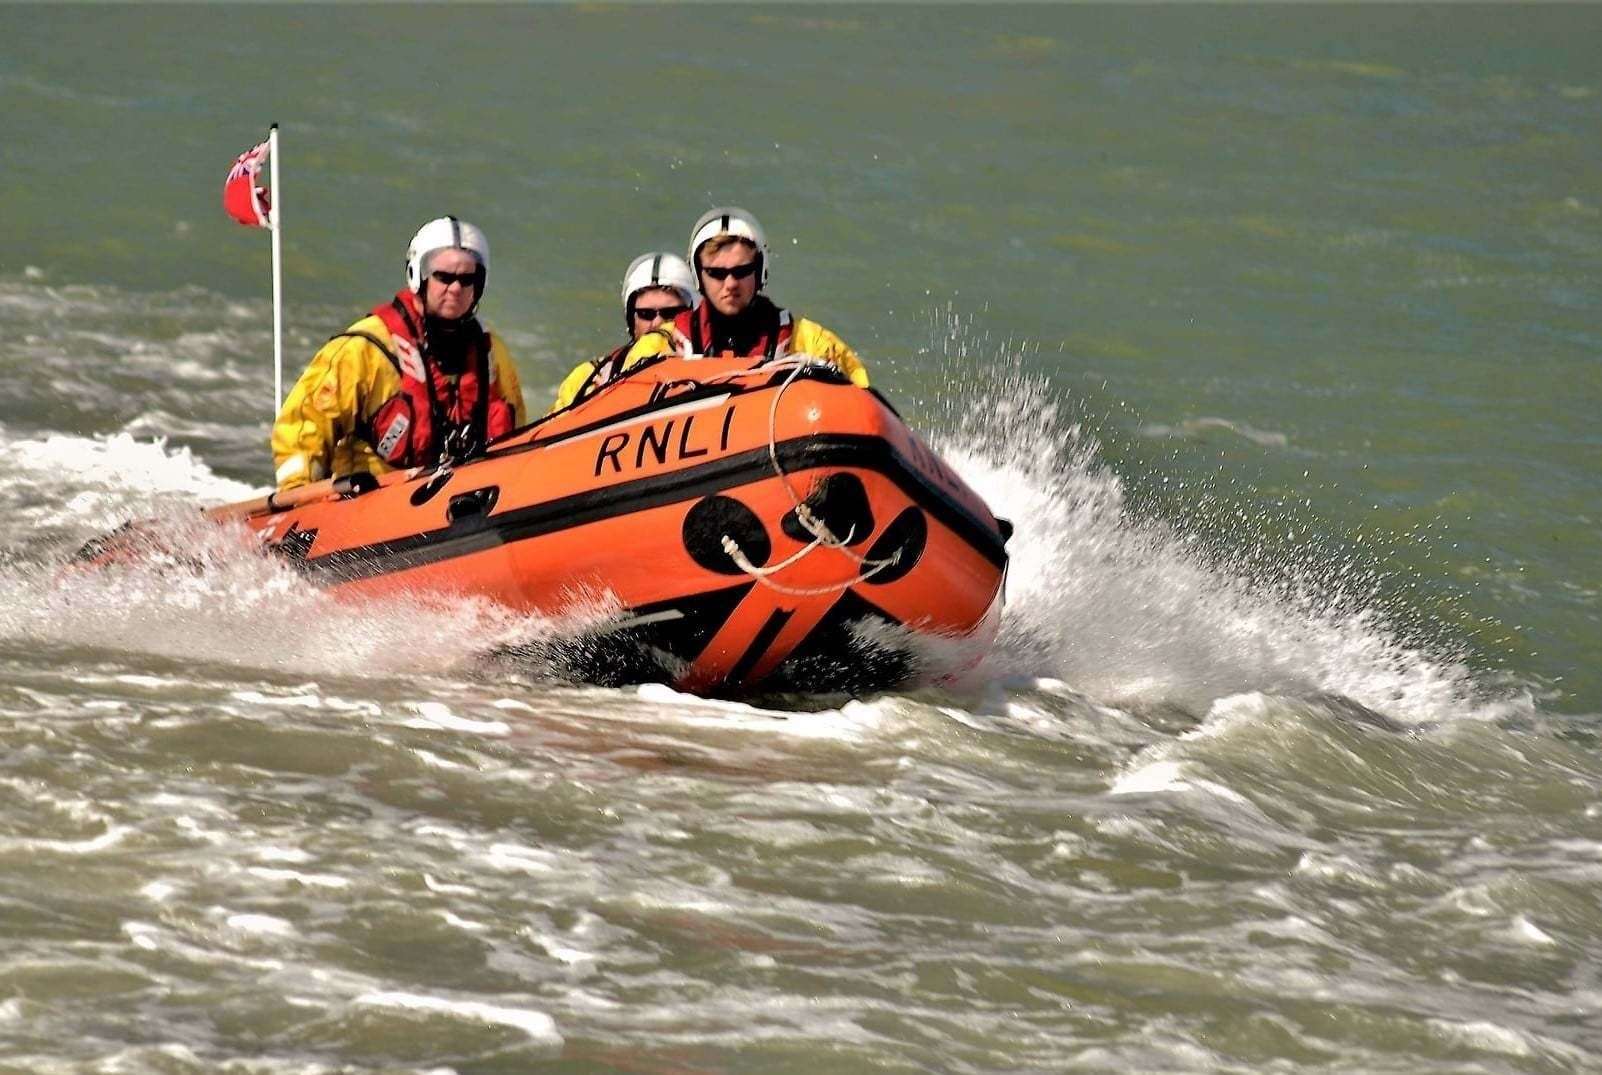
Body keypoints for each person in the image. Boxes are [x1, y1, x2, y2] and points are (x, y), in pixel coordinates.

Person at [271, 216, 527, 491]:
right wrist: (299, 494)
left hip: (464, 498)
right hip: (371, 502)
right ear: (419, 276)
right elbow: (303, 427)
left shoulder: (490, 354)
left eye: (467, 280)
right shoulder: (365, 349)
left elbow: (515, 430)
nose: (455, 289)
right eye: (444, 277)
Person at [548, 207, 867, 411]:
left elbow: (863, 406)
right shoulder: (660, 346)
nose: (730, 284)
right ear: (699, 275)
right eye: (717, 273)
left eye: (741, 272)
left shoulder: (811, 342)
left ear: (761, 271)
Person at [549, 251, 696, 412]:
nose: (658, 322)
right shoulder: (585, 379)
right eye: (646, 314)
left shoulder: (708, 363)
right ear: (631, 320)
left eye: (670, 314)